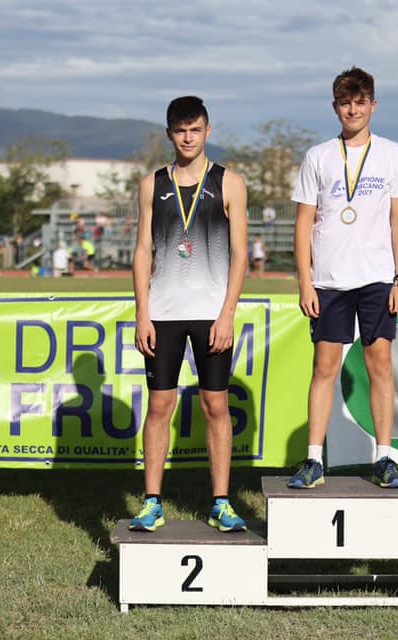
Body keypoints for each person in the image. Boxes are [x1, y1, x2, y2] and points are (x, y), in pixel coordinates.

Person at [287, 66, 398, 490]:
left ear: (373, 105)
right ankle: (313, 459)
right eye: (345, 103)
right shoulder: (318, 156)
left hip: (378, 277)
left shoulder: (391, 153)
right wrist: (305, 281)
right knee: (324, 367)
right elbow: (303, 223)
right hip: (329, 279)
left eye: (360, 102)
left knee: (380, 366)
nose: (353, 110)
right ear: (335, 107)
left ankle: (384, 458)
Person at [129, 96, 249, 533]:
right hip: (163, 313)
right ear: (169, 133)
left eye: (195, 129)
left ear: (207, 131)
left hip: (211, 314)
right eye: (180, 130)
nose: (188, 137)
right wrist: (142, 313)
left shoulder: (230, 182)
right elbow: (143, 251)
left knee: (216, 404)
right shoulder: (152, 184)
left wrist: (227, 314)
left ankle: (221, 502)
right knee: (160, 404)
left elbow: (240, 255)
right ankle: (152, 502)